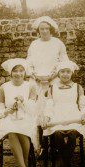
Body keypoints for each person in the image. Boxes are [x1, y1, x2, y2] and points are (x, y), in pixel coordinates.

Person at [40, 60, 85, 167]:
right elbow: (49, 105)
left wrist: (83, 114)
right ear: (58, 73)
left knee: (72, 134)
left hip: (74, 116)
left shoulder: (78, 87)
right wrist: (47, 117)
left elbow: (83, 105)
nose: (65, 74)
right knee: (57, 134)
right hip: (57, 116)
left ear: (71, 73)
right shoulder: (52, 87)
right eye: (62, 72)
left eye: (68, 72)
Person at [27, 15, 69, 156]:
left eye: (46, 28)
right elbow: (29, 63)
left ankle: (55, 146)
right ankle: (42, 146)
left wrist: (53, 76)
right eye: (41, 29)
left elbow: (64, 63)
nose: (44, 31)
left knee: (52, 111)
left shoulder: (58, 43)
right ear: (38, 30)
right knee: (38, 112)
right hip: (38, 82)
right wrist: (35, 76)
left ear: (51, 29)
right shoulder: (34, 44)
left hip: (53, 80)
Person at [0, 58, 37, 167]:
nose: (18, 74)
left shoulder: (30, 86)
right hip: (9, 119)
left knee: (22, 131)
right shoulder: (3, 87)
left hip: (26, 117)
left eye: (21, 71)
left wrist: (24, 102)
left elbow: (33, 109)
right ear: (10, 73)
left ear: (25, 72)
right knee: (11, 132)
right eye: (15, 71)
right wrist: (7, 111)